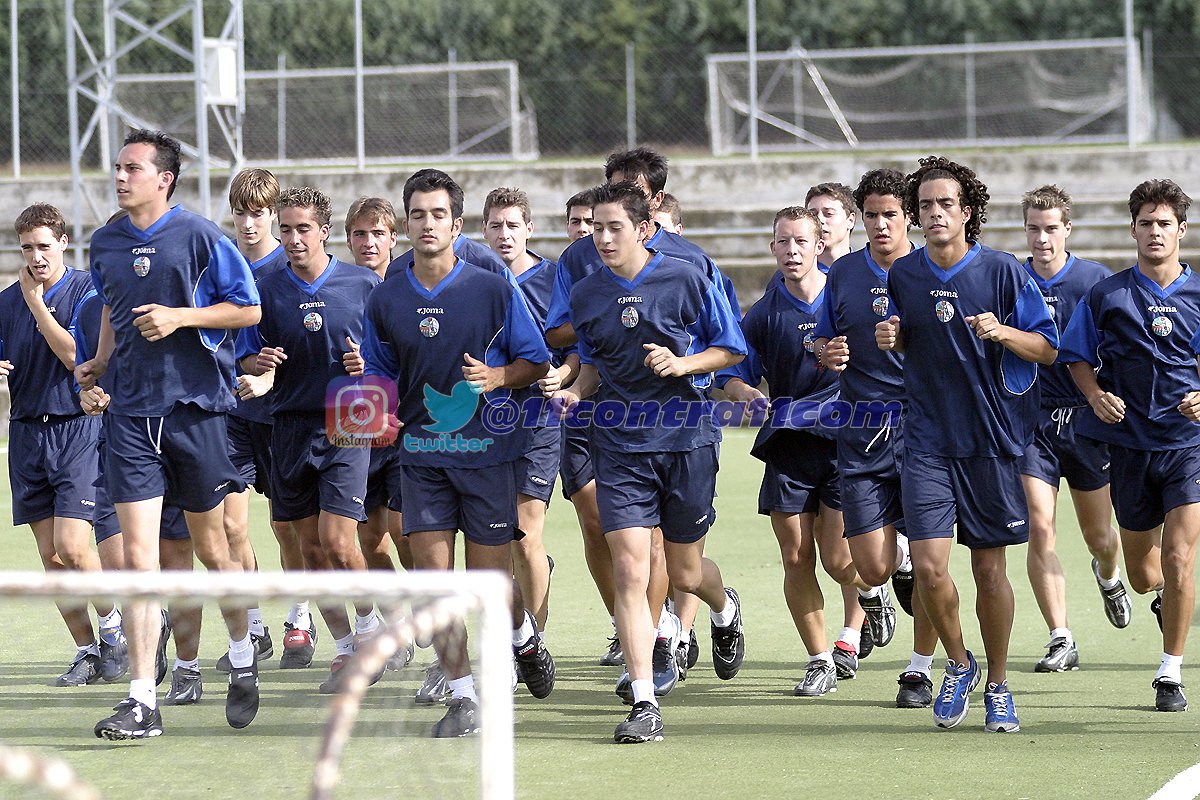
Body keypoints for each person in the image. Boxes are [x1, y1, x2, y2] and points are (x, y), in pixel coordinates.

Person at [77, 128, 262, 739]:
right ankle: (141, 699)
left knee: (214, 551)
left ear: (165, 178)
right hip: (130, 418)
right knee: (139, 559)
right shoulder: (105, 241)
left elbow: (248, 309)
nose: (120, 176)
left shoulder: (201, 236)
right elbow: (109, 306)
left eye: (132, 168)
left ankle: (241, 654)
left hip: (196, 413)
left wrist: (182, 317)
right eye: (118, 167)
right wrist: (102, 361)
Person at [361, 168, 556, 738]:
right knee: (437, 585)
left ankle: (522, 636)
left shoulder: (493, 287)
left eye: (438, 214)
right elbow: (378, 370)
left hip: (488, 455)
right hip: (420, 457)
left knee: (491, 586)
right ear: (406, 223)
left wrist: (499, 376)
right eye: (417, 214)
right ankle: (465, 695)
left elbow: (537, 359)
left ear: (457, 223)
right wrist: (378, 408)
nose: (427, 224)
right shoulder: (388, 295)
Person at [551, 181, 746, 744]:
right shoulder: (587, 294)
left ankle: (723, 605)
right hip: (621, 446)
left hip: (687, 441)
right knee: (632, 571)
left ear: (644, 228)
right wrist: (573, 391)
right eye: (595, 228)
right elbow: (590, 365)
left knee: (684, 572)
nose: (602, 237)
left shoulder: (687, 275)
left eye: (614, 227)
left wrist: (684, 364)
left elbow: (729, 349)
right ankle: (643, 701)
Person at [876, 155, 1058, 733]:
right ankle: (959, 662)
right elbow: (915, 342)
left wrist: (1003, 331)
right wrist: (894, 339)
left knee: (988, 571)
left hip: (993, 441)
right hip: (927, 439)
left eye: (945, 204)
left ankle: (999, 685)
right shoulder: (904, 274)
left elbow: (1048, 348)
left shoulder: (1003, 271)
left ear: (968, 210)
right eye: (925, 205)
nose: (934, 214)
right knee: (928, 568)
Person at [721, 206, 873, 698]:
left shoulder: (848, 298)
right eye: (783, 243)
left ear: (819, 245)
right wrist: (744, 393)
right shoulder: (765, 312)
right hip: (788, 445)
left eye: (801, 242)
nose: (792, 251)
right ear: (773, 249)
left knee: (837, 558)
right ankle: (820, 658)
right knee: (795, 556)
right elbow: (732, 370)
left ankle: (869, 600)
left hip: (843, 444)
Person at [1060, 178, 1200, 713]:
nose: (1155, 232)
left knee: (1181, 556)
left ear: (1181, 230)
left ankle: (1170, 673)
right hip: (1129, 447)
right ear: (1134, 230)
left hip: (1187, 445)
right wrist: (1095, 394)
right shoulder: (1108, 294)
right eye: (1146, 223)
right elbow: (1073, 355)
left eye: (1165, 223)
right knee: (1145, 575)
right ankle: (1139, 582)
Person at [237, 186, 382, 695]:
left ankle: (369, 630)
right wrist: (258, 365)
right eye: (286, 229)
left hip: (348, 420)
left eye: (303, 229)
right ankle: (344, 647)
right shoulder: (262, 287)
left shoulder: (364, 284)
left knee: (341, 543)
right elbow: (244, 354)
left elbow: (391, 357)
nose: (294, 239)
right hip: (288, 426)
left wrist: (370, 366)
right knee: (309, 550)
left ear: (324, 232)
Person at [813, 168, 940, 708]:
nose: (881, 224)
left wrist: (912, 341)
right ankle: (886, 582)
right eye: (871, 215)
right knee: (869, 566)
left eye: (891, 213)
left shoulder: (933, 270)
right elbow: (818, 335)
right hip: (861, 433)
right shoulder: (841, 274)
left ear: (908, 215)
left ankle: (919, 669)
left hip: (925, 430)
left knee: (935, 568)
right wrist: (823, 352)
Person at [3, 203, 124, 686]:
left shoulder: (85, 292)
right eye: (28, 247)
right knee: (51, 558)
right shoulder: (6, 301)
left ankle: (114, 626)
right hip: (27, 434)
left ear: (64, 244)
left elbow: (80, 356)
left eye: (44, 246)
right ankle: (86, 650)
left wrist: (37, 304)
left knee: (74, 547)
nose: (36, 257)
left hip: (76, 428)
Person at [1018, 184, 1131, 673]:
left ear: (1067, 229)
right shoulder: (1011, 279)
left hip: (1086, 422)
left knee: (1100, 536)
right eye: (1033, 229)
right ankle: (1061, 636)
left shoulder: (1095, 281)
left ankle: (1109, 576)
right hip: (1030, 421)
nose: (1042, 239)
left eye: (1050, 229)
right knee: (1040, 528)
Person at [72, 288, 203, 704]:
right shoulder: (93, 308)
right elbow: (86, 374)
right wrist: (89, 395)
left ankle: (188, 668)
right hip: (122, 449)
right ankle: (142, 694)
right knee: (132, 565)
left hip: (179, 441)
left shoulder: (183, 298)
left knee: (179, 563)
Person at [219, 167, 309, 674]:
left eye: (258, 214)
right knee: (231, 525)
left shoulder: (289, 269)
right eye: (240, 213)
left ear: (274, 215)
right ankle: (253, 627)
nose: (248, 224)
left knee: (287, 527)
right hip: (229, 413)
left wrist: (269, 375)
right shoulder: (221, 267)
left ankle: (300, 617)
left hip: (282, 415)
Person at [482, 187, 558, 631]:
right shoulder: (475, 280)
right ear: (482, 229)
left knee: (527, 535)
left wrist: (562, 374)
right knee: (500, 535)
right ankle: (515, 633)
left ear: (529, 228)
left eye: (513, 225)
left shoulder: (553, 280)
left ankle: (534, 646)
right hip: (488, 422)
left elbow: (580, 345)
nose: (504, 234)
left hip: (539, 418)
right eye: (496, 226)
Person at [807, 182, 856, 271]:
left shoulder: (870, 272)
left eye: (828, 214)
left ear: (850, 220)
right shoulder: (790, 278)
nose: (819, 220)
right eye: (813, 215)